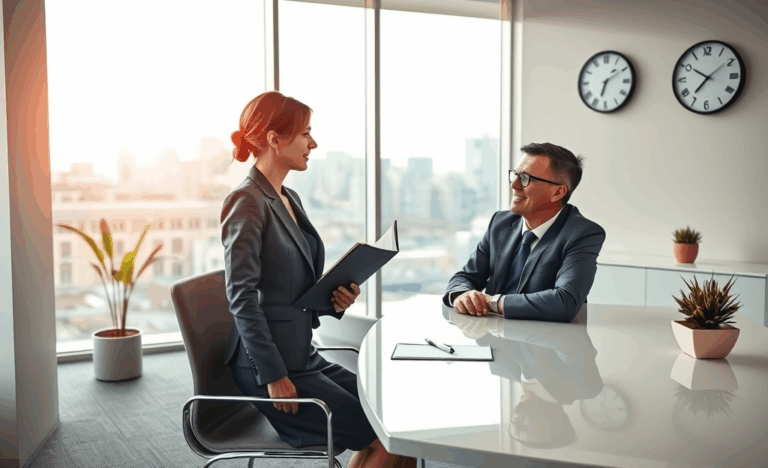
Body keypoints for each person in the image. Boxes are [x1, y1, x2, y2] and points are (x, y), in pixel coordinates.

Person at [221, 91, 414, 468]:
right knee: (389, 440)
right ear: (275, 139)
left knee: (394, 424)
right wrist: (274, 375)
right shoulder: (246, 201)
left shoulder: (287, 196)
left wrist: (333, 299)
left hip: (303, 355)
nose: (314, 143)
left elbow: (289, 286)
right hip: (272, 367)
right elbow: (241, 297)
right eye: (305, 133)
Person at [443, 142, 606, 323]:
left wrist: (494, 303)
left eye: (526, 178)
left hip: (550, 345)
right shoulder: (500, 223)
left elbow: (565, 302)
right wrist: (462, 295)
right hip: (493, 338)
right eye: (515, 175)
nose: (514, 185)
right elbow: (465, 277)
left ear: (557, 192)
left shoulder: (583, 233)